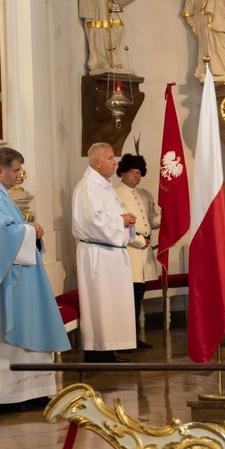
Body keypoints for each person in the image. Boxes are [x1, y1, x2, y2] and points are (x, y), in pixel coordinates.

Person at [0, 147, 70, 408]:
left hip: (14, 279)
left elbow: (12, 231)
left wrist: (29, 231)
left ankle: (31, 392)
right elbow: (2, 235)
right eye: (15, 170)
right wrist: (29, 230)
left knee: (27, 329)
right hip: (1, 284)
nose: (18, 175)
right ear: (0, 170)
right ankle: (7, 396)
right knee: (5, 339)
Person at [72, 142, 137, 362]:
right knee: (100, 303)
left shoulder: (104, 186)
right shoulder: (88, 187)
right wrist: (122, 220)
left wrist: (126, 220)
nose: (114, 162)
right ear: (97, 161)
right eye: (110, 158)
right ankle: (97, 351)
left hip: (110, 252)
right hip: (98, 254)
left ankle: (109, 350)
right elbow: (93, 222)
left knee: (112, 303)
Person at [115, 154, 161, 349]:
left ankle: (133, 339)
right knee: (128, 298)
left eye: (138, 172)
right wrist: (140, 240)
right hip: (129, 252)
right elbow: (118, 224)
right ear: (122, 172)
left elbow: (152, 221)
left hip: (144, 255)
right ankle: (125, 340)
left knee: (138, 295)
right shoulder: (115, 193)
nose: (136, 176)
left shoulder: (145, 194)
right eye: (132, 172)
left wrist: (169, 214)